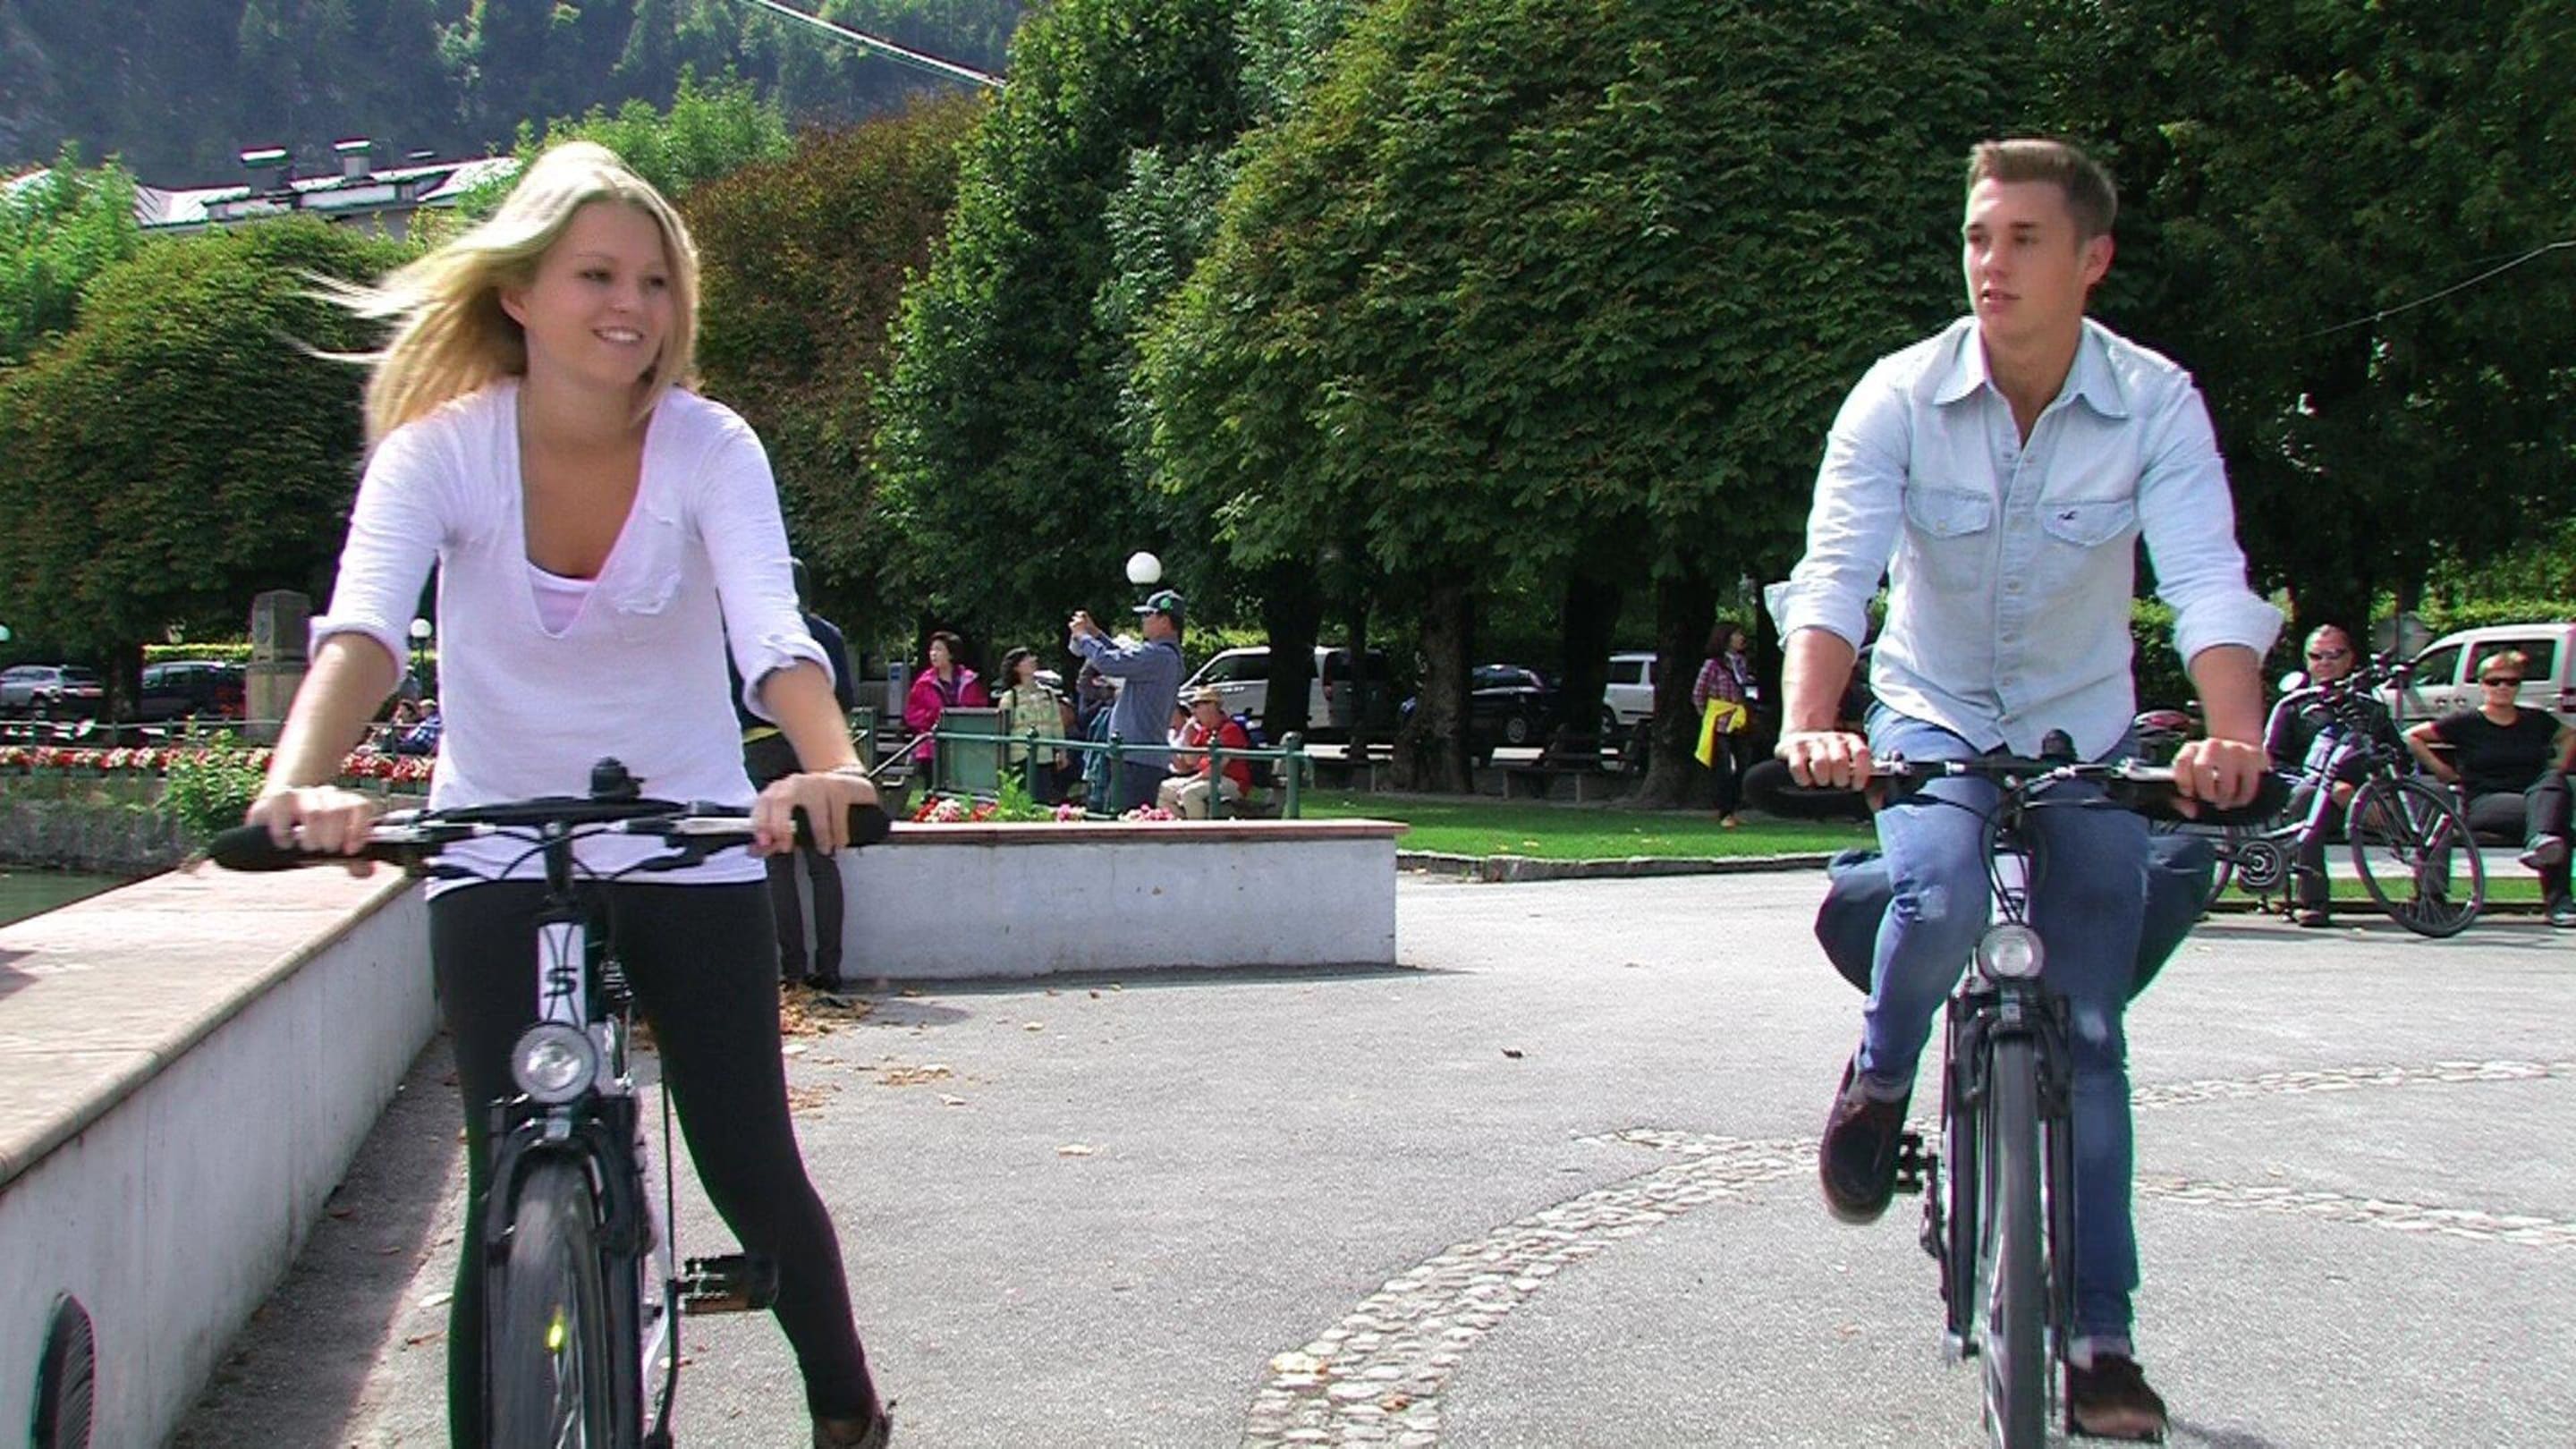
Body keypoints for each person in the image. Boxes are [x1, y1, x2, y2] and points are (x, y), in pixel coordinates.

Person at [242, 142, 892, 1448]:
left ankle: (845, 1413)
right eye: (597, 274)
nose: (631, 305)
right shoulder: (439, 453)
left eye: (655, 280)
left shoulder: (709, 448)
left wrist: (832, 766)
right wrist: (297, 781)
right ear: (519, 293)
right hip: (497, 842)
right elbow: (363, 633)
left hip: (683, 840)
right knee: (506, 1186)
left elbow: (772, 638)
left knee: (748, 1160)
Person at [1772, 138, 2278, 1439]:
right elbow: (1838, 572)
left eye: (2023, 240)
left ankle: (2100, 1340)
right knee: (1937, 899)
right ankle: (1882, 1079)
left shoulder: (2156, 402)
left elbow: (2206, 578)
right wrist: (1812, 723)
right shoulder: (1898, 395)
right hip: (1931, 711)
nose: (1990, 264)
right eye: (1977, 237)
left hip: (2083, 734)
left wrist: (2232, 736)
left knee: (2091, 1027)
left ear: (2092, 259)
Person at [735, 557, 860, 987]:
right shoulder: (827, 634)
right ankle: (831, 969)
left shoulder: (750, 636)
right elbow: (845, 699)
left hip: (762, 748)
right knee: (823, 860)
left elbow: (735, 697)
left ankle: (792, 971)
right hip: (813, 748)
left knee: (778, 860)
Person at [2403, 648, 2575, 927]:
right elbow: (2413, 737)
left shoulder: (2536, 720)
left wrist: (2559, 765)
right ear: (2482, 685)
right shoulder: (2467, 722)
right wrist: (2443, 771)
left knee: (2554, 783)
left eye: (2511, 682)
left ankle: (2542, 843)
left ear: (2519, 686)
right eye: (2495, 681)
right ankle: (2558, 899)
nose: (2503, 688)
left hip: (2535, 795)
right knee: (2556, 822)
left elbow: (2570, 735)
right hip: (2486, 800)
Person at [2262, 624, 2399, 926]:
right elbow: (2273, 763)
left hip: (2370, 797)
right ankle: (2313, 901)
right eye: (2316, 656)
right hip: (2316, 797)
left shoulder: (2370, 707)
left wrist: (2380, 791)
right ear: (2306, 660)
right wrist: (2330, 787)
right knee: (2307, 798)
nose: (2325, 662)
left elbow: (2397, 755)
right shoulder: (2292, 706)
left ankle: (2432, 897)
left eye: (2334, 655)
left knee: (2437, 796)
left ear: (2350, 659)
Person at [1069, 588, 1187, 813]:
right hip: (1136, 758)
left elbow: (1109, 663)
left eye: (1148, 615)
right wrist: (1096, 634)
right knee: (1119, 821)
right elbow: (1120, 658)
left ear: (1165, 621)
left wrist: (1083, 637)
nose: (1143, 620)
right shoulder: (1162, 656)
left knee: (1125, 825)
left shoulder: (1159, 655)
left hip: (1137, 759)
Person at [1692, 622, 1758, 826]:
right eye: (1737, 634)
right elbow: (1698, 693)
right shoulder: (1712, 665)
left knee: (1743, 765)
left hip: (1739, 721)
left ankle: (1734, 808)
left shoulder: (1740, 663)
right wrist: (1709, 715)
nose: (1741, 638)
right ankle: (1724, 812)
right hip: (1720, 723)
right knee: (1724, 768)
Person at [1159, 685, 1254, 818]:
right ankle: (1186, 825)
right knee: (1164, 789)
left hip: (1232, 782)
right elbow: (1190, 761)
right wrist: (1187, 733)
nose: (1193, 711)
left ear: (1212, 706)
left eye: (1197, 705)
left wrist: (1190, 782)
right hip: (1205, 780)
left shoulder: (1230, 730)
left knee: (1190, 792)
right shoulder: (1204, 731)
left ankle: (1198, 829)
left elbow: (1216, 768)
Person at [903, 631, 989, 773]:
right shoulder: (923, 683)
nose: (933, 654)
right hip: (932, 748)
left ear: (951, 654)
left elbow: (980, 710)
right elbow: (912, 715)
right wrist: (937, 717)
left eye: (938, 649)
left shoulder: (970, 681)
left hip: (964, 746)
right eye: (931, 650)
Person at [996, 646, 1071, 803]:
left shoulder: (1047, 694)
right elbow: (1003, 730)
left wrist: (1061, 751)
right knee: (1023, 800)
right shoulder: (1011, 697)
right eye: (1026, 659)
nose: (1033, 660)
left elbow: (1056, 724)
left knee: (1043, 800)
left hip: (1045, 757)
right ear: (1016, 668)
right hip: (1020, 758)